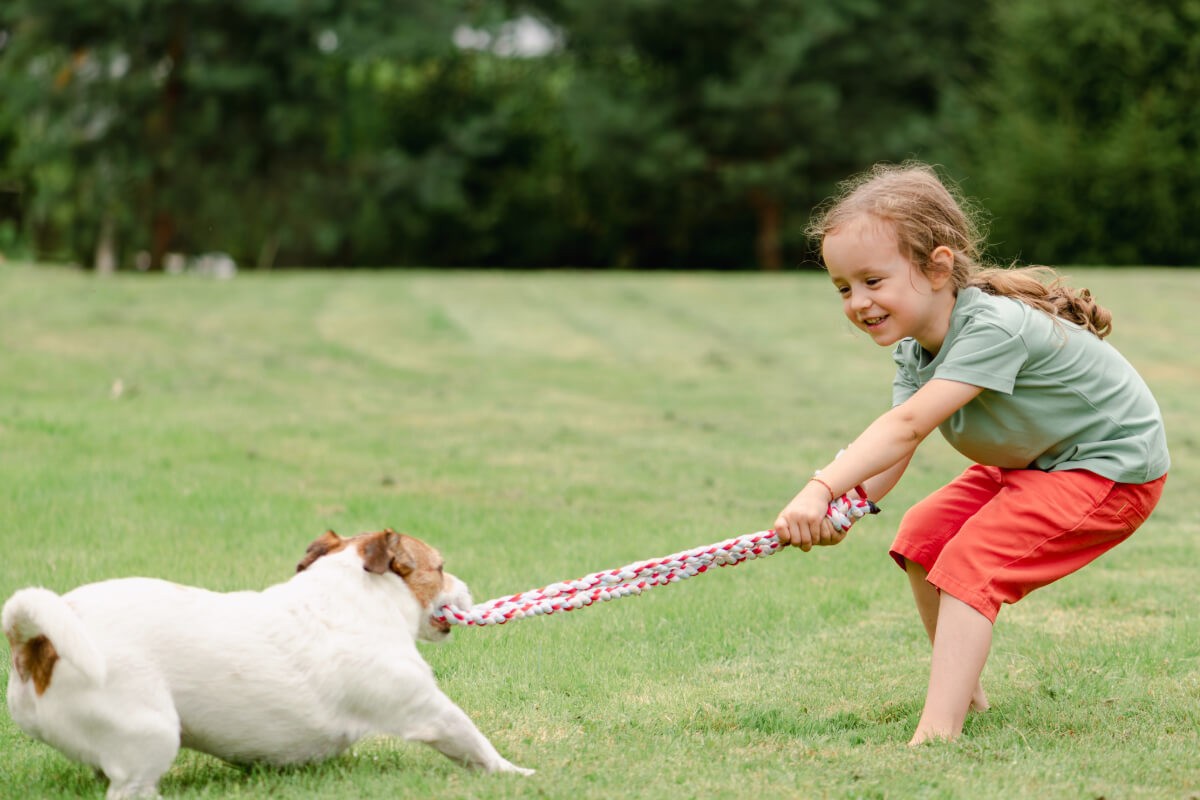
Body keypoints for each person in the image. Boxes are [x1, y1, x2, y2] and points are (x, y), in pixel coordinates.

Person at [772, 162, 1170, 746]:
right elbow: (893, 448)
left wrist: (821, 487)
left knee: (969, 566)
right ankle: (967, 694)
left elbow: (907, 426)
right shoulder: (916, 348)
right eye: (843, 288)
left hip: (1106, 470)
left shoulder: (993, 325)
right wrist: (848, 508)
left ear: (937, 267)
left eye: (873, 281)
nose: (857, 302)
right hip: (1034, 463)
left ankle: (937, 734)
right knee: (922, 539)